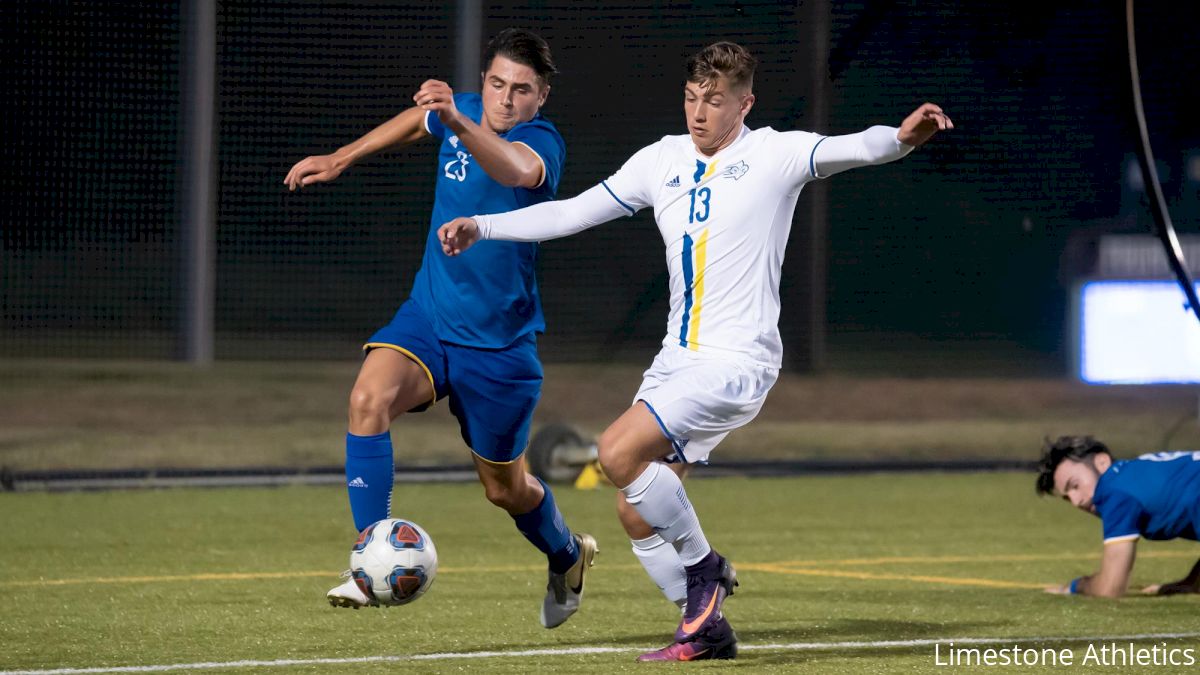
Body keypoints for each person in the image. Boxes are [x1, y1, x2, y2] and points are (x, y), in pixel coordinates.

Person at [438, 41, 952, 660]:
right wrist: (484, 226)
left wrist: (902, 136)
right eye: (691, 98)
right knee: (636, 514)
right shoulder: (663, 160)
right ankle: (707, 629)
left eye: (714, 100)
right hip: (676, 361)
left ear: (746, 103)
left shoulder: (775, 153)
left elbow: (854, 147)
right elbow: (573, 213)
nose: (699, 112)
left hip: (738, 362)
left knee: (615, 451)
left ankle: (706, 571)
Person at [282, 28, 597, 629]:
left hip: (499, 348)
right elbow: (415, 120)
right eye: (497, 84)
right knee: (366, 399)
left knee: (507, 490)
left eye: (521, 90)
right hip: (428, 317)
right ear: (484, 82)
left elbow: (510, 170)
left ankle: (567, 553)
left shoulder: (541, 143)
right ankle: (368, 558)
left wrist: (455, 116)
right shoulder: (466, 110)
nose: (506, 99)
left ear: (541, 97)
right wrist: (341, 156)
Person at [1037, 435, 1200, 598]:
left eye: (1075, 485)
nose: (1076, 501)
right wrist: (1192, 582)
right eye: (1067, 497)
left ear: (1102, 462)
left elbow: (1110, 587)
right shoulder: (1134, 475)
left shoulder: (1113, 490)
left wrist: (1077, 586)